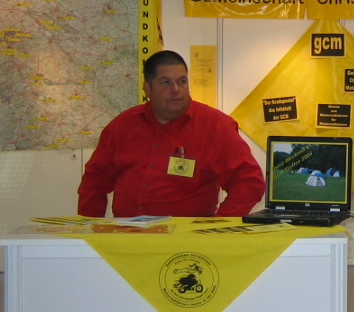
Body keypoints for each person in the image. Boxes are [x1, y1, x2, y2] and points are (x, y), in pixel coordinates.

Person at [77, 50, 264, 218]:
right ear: (148, 89)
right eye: (166, 82)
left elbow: (249, 182)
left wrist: (218, 227)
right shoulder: (123, 125)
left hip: (186, 239)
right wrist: (90, 228)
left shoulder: (216, 126)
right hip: (127, 233)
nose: (176, 89)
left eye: (182, 81)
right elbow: (95, 180)